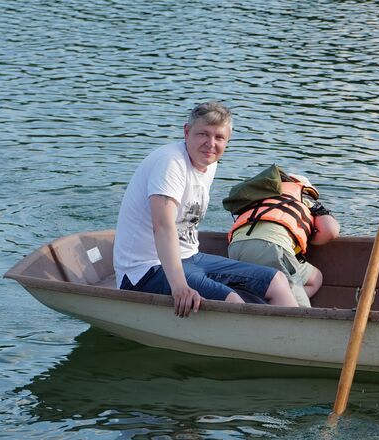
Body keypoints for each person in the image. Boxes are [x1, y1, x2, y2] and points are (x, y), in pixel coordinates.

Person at [113, 102, 297, 317]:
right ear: (186, 131)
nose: (210, 144)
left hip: (190, 257)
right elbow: (162, 226)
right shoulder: (170, 163)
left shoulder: (209, 163)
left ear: (227, 141)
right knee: (232, 301)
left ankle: (299, 341)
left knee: (277, 280)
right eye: (203, 134)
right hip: (145, 270)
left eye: (219, 138)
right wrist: (179, 286)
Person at [225, 169, 341, 306]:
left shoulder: (258, 198)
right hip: (273, 248)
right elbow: (331, 231)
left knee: (315, 278)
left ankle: (275, 304)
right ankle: (291, 308)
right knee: (301, 312)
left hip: (236, 248)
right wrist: (310, 239)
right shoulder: (301, 196)